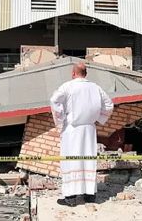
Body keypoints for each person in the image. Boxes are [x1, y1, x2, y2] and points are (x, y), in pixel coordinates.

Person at [50, 62, 114, 207]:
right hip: (89, 129)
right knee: (87, 160)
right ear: (86, 74)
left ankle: (71, 198)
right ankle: (89, 195)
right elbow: (109, 105)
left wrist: (60, 120)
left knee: (71, 161)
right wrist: (98, 118)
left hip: (72, 130)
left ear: (73, 73)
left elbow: (54, 100)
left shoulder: (68, 86)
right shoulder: (95, 87)